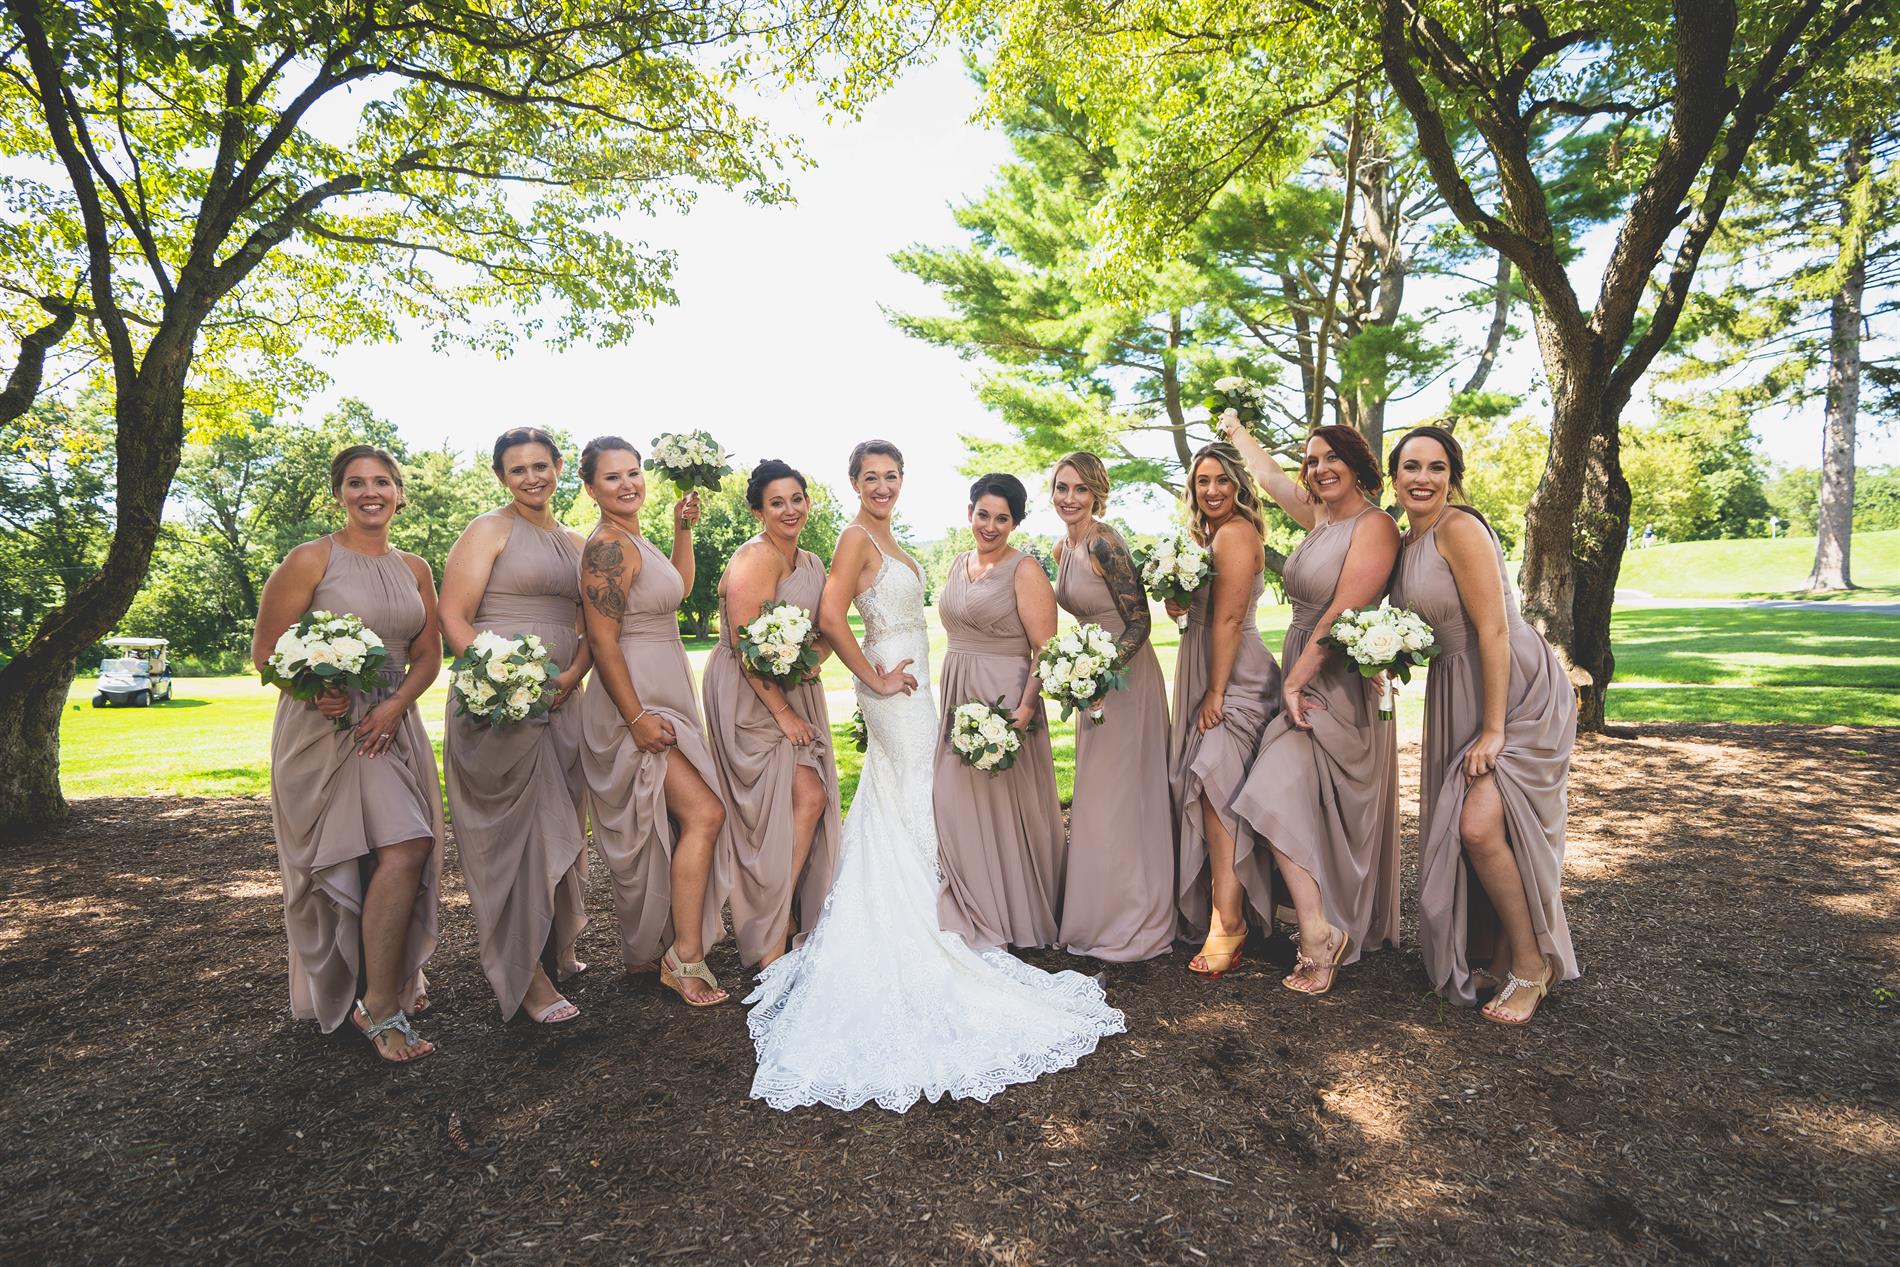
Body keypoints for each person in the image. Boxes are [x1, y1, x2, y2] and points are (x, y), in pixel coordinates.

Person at [745, 440, 1124, 1113]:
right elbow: (831, 616)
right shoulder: (856, 537)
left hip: (920, 686)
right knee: (921, 793)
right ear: (853, 482)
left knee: (908, 797)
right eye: (871, 477)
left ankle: (945, 907)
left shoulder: (889, 537)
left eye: (892, 476)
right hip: (896, 687)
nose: (883, 486)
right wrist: (874, 678)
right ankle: (930, 920)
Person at [253, 445, 443, 1063]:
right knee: (403, 846)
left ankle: (379, 989)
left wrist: (395, 706)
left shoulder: (415, 567)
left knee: (396, 849)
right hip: (327, 725)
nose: (370, 492)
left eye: (382, 482)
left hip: (392, 722)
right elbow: (266, 652)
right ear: (339, 494)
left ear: (399, 493)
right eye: (356, 483)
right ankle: (377, 1004)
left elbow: (429, 655)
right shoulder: (310, 558)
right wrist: (315, 690)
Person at [1389, 425, 1579, 1024]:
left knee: (1477, 826)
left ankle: (1532, 963)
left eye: (1437, 467)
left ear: (1453, 478)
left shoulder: (1459, 528)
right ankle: (1494, 955)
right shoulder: (1405, 541)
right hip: (1456, 690)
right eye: (1411, 466)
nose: (1423, 478)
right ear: (1393, 477)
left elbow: (1493, 631)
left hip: (1515, 690)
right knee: (1478, 827)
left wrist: (1494, 730)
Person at [1221, 417, 1402, 995]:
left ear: (1357, 464)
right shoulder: (1320, 516)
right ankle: (1318, 928)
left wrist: (1295, 682)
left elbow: (1342, 613)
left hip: (1336, 679)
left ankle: (1319, 931)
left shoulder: (1375, 527)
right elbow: (1269, 477)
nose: (1320, 468)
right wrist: (1236, 430)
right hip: (1301, 669)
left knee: (1275, 787)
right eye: (1312, 459)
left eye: (1331, 458)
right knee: (1286, 793)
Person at [438, 427, 592, 1024]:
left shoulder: (576, 540)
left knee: (562, 821)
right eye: (518, 469)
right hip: (499, 703)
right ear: (502, 477)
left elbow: (590, 625)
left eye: (540, 465)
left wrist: (571, 675)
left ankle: (554, 946)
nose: (532, 477)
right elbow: (454, 615)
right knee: (519, 838)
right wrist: (506, 683)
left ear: (558, 467)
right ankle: (526, 978)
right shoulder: (488, 529)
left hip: (562, 698)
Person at [577, 437, 733, 1007]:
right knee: (705, 813)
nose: (628, 484)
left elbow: (678, 590)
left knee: (671, 824)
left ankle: (655, 947)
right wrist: (637, 717)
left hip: (665, 685)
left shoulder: (636, 539)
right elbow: (602, 641)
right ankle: (682, 956)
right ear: (590, 488)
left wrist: (681, 531)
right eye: (612, 476)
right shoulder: (606, 548)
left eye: (634, 472)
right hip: (635, 699)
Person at [702, 459, 841, 969]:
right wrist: (783, 711)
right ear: (758, 511)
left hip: (792, 689)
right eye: (776, 502)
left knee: (802, 800)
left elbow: (827, 630)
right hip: (749, 694)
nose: (790, 510)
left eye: (797, 499)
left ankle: (781, 918)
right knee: (797, 799)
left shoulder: (813, 562)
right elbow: (745, 647)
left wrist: (807, 663)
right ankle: (771, 929)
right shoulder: (755, 558)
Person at [1048, 452, 1174, 962]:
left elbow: (1140, 622)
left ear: (1097, 493)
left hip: (1125, 678)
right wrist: (1080, 673)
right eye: (1061, 487)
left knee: (1121, 795)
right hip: (1090, 679)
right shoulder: (1062, 546)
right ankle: (1098, 912)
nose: (1069, 498)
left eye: (1080, 489)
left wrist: (1103, 671)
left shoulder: (1105, 542)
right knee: (1097, 796)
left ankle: (1134, 916)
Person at [933, 473, 1066, 950]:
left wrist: (1025, 710)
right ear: (970, 513)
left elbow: (1045, 648)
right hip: (958, 692)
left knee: (1004, 806)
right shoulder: (958, 563)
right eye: (983, 515)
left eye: (1002, 518)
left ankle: (1012, 913)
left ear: (1015, 523)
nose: (990, 526)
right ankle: (971, 903)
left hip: (1005, 699)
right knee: (954, 802)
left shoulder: (1024, 569)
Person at [1166, 443, 1283, 978]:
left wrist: (1215, 693)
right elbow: (1205, 608)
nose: (1211, 490)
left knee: (1214, 785)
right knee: (1217, 787)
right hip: (1205, 664)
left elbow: (1230, 620)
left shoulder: (1235, 533)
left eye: (1221, 480)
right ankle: (1235, 912)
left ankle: (1228, 920)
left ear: (1239, 485)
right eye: (1202, 481)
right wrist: (1178, 600)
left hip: (1235, 676)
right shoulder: (1206, 537)